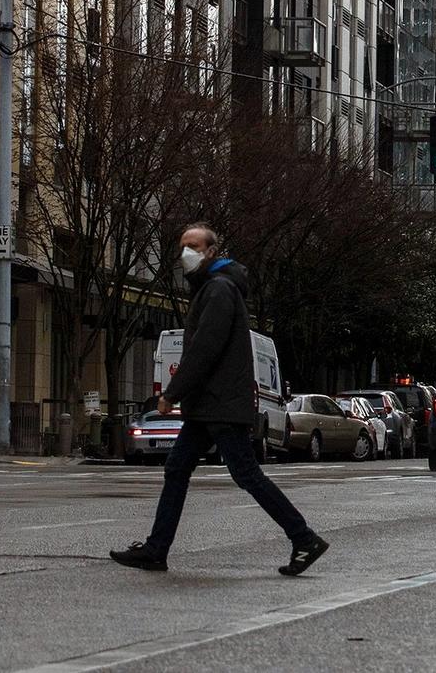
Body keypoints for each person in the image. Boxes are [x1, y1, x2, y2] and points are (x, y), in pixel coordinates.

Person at [110, 223, 328, 577]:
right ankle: (156, 549)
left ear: (212, 251)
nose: (186, 253)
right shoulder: (212, 288)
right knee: (178, 468)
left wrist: (171, 393)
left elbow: (203, 350)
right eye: (182, 246)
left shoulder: (219, 290)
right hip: (211, 404)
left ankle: (303, 538)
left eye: (194, 246)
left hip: (220, 403)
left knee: (246, 474)